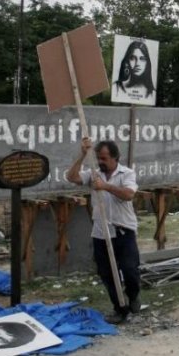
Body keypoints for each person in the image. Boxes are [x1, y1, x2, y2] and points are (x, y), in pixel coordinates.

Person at [66, 138, 141, 324]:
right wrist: (83, 154)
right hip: (101, 233)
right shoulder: (93, 173)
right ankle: (120, 309)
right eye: (98, 158)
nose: (101, 161)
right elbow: (71, 177)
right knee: (107, 274)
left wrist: (105, 186)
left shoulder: (127, 173)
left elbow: (129, 195)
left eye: (105, 158)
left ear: (115, 158)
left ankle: (133, 296)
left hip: (124, 231)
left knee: (130, 270)